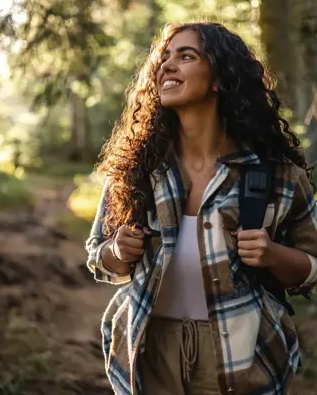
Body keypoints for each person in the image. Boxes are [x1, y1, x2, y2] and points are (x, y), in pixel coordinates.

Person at [85, 22, 317, 395]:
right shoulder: (137, 172)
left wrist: (272, 254)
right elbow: (98, 256)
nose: (167, 66)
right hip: (149, 351)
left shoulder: (278, 176)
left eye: (186, 56)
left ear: (219, 79)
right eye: (165, 58)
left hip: (242, 358)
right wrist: (117, 251)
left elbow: (312, 267)